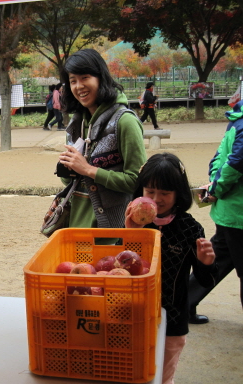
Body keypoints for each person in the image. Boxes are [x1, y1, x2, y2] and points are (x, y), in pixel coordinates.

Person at [125, 153, 217, 384]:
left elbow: (206, 281)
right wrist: (131, 233)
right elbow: (121, 267)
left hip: (173, 318)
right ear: (141, 191)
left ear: (178, 194)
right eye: (150, 191)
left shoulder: (190, 228)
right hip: (133, 313)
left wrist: (207, 263)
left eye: (165, 193)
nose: (156, 199)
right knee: (132, 371)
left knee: (163, 377)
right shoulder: (134, 219)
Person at [56, 48, 147, 229]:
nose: (78, 86)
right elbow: (70, 182)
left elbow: (137, 181)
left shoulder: (125, 121)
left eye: (85, 78)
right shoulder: (76, 124)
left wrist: (89, 170)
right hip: (76, 225)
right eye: (72, 81)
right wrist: (67, 169)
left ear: (101, 78)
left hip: (113, 230)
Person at [188, 99, 243, 324]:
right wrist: (216, 189)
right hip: (238, 213)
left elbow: (219, 157)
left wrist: (214, 185)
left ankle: (185, 302)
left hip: (230, 212)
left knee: (219, 258)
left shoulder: (236, 119)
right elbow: (235, 163)